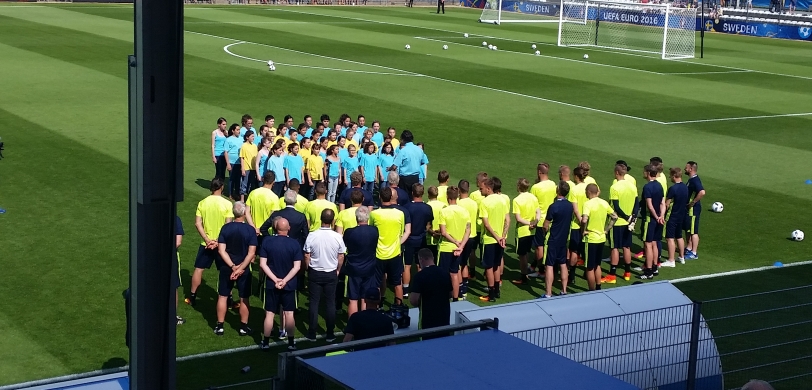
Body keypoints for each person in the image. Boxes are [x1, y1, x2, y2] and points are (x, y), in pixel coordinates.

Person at [187, 178, 234, 307]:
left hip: (205, 244)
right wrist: (218, 241)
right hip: (222, 245)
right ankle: (229, 298)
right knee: (226, 271)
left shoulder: (203, 203)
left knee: (198, 269)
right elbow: (228, 225)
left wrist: (207, 240)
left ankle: (192, 296)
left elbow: (197, 223)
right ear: (222, 187)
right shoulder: (227, 204)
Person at [259, 217, 302, 351]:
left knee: (270, 314)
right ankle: (291, 342)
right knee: (289, 314)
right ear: (288, 228)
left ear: (276, 228)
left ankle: (265, 342)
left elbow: (262, 264)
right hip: (289, 284)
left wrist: (275, 279)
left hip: (272, 284)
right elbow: (297, 267)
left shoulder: (267, 241)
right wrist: (284, 280)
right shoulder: (294, 244)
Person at [215, 201, 257, 336]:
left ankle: (220, 326)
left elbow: (221, 251)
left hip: (227, 267)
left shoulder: (225, 228)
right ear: (244, 213)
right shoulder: (250, 230)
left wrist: (233, 267)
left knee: (223, 296)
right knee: (244, 297)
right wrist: (240, 268)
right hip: (243, 268)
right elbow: (251, 253)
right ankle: (243, 327)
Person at [303, 209, 346, 342]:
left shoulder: (312, 235)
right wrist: (338, 270)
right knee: (330, 303)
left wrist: (306, 267)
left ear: (321, 219)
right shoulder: (337, 237)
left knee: (314, 302)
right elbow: (341, 256)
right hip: (330, 273)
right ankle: (330, 333)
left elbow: (306, 254)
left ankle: (311, 333)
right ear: (333, 221)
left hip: (315, 272)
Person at [370, 187, 410, 302]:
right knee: (397, 283)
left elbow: (372, 231)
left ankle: (376, 307)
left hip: (379, 254)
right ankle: (399, 308)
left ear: (380, 197)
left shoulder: (374, 214)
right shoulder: (400, 214)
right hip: (395, 254)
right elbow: (402, 232)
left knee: (377, 283)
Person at [603, 164, 638, 284]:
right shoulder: (632, 186)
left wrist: (627, 217)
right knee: (627, 247)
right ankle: (627, 273)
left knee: (614, 248)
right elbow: (636, 203)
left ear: (617, 173)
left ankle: (612, 275)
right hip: (628, 223)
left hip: (617, 222)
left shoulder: (615, 187)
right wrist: (633, 217)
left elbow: (616, 206)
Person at [343, 207, 380, 317]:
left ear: (356, 217)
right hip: (369, 267)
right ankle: (364, 322)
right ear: (368, 217)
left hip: (354, 268)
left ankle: (353, 325)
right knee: (365, 298)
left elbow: (345, 245)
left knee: (353, 299)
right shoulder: (374, 230)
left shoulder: (349, 232)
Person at [580, 184, 618, 291]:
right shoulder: (604, 202)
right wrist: (606, 229)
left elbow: (584, 220)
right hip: (601, 238)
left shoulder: (587, 204)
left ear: (588, 192)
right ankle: (598, 287)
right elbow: (614, 216)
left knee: (589, 267)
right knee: (597, 264)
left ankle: (591, 290)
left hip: (591, 238)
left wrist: (583, 231)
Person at [478, 178, 510, 302]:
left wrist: (496, 237)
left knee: (489, 267)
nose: (481, 190)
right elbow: (508, 220)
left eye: (482, 188)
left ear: (488, 188)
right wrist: (502, 236)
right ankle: (497, 291)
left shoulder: (485, 202)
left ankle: (491, 294)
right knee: (497, 265)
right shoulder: (502, 200)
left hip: (489, 239)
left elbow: (486, 224)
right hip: (502, 239)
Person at [437, 186, 470, 300]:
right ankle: (456, 298)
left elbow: (443, 232)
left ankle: (443, 297)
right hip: (458, 249)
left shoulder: (444, 211)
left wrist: (455, 241)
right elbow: (468, 231)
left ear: (447, 197)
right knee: (455, 273)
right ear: (457, 196)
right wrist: (461, 246)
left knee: (443, 275)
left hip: (446, 247)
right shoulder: (464, 211)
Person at [540, 181, 573, 297]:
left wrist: (545, 233)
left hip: (553, 239)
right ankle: (564, 291)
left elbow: (545, 225)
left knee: (549, 265)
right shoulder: (570, 206)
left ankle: (548, 293)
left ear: (558, 190)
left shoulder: (553, 206)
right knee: (563, 264)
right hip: (563, 240)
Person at [410, 248, 452, 337]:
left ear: (421, 259)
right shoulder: (445, 273)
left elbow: (413, 300)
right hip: (444, 316)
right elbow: (451, 294)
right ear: (432, 258)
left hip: (427, 318)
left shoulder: (419, 276)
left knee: (427, 345)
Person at [403, 184, 434, 297]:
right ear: (423, 193)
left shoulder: (406, 207)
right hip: (421, 239)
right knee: (420, 265)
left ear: (412, 193)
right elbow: (428, 225)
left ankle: (405, 290)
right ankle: (420, 287)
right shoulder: (427, 208)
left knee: (407, 265)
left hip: (409, 239)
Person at [529, 163, 557, 277]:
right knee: (547, 244)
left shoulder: (535, 188)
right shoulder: (553, 184)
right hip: (551, 219)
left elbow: (532, 204)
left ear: (539, 172)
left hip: (540, 220)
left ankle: (541, 271)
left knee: (539, 246)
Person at [511, 178, 540, 284]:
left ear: (518, 186)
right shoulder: (533, 197)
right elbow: (538, 212)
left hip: (522, 232)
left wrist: (529, 223)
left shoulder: (517, 200)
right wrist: (535, 222)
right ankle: (525, 273)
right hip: (531, 231)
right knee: (526, 253)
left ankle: (523, 276)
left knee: (522, 255)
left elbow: (518, 219)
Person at [641, 165, 666, 280]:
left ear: (648, 173)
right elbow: (662, 203)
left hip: (650, 219)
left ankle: (648, 270)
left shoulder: (647, 187)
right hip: (658, 219)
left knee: (648, 244)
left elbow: (649, 205)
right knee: (655, 243)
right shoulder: (659, 185)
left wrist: (656, 216)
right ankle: (655, 267)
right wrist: (661, 216)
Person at [456, 180, 478, 299]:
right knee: (465, 263)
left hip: (461, 237)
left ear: (459, 190)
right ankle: (465, 285)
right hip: (472, 235)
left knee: (459, 263)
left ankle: (460, 288)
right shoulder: (474, 203)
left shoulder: (458, 203)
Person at [245, 171, 281, 241]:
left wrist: (253, 227)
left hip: (252, 230)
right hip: (267, 232)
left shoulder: (253, 193)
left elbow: (247, 212)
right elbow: (273, 217)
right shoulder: (274, 197)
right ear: (273, 182)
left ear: (263, 179)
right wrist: (262, 228)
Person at [664, 167, 689, 267]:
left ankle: (671, 260)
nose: (670, 177)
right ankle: (682, 257)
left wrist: (662, 214)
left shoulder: (673, 188)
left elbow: (667, 203)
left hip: (672, 216)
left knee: (669, 238)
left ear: (674, 176)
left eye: (670, 175)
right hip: (681, 215)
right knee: (679, 236)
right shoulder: (685, 187)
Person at [390, 130, 428, 194]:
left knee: (404, 197)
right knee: (414, 196)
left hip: (405, 178)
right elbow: (423, 161)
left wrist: (389, 169)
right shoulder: (419, 149)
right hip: (416, 177)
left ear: (403, 139)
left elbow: (395, 166)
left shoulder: (403, 151)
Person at [567, 167, 587, 285]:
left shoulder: (574, 190)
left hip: (576, 224)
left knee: (574, 250)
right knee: (585, 248)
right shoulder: (590, 187)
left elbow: (574, 208)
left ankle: (572, 276)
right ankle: (586, 271)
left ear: (575, 176)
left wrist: (580, 220)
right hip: (588, 222)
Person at [684, 161, 705, 260]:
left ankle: (694, 252)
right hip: (690, 209)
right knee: (689, 229)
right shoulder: (692, 179)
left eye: (686, 167)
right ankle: (689, 247)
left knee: (693, 231)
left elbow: (702, 192)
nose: (685, 169)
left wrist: (693, 203)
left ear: (691, 169)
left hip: (693, 209)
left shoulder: (695, 180)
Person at [223, 124, 242, 200]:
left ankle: (237, 193)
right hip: (232, 162)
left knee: (238, 179)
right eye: (237, 130)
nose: (239, 131)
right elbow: (226, 152)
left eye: (239, 129)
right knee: (232, 179)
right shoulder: (228, 139)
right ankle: (230, 194)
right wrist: (228, 163)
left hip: (239, 162)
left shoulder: (241, 139)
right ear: (233, 131)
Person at [426, 186, 446, 259]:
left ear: (428, 195)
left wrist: (433, 233)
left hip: (430, 238)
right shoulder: (444, 205)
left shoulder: (427, 206)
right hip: (441, 237)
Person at [239, 131, 258, 202]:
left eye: (253, 136)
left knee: (251, 184)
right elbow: (242, 157)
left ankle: (249, 198)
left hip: (253, 168)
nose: (253, 138)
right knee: (244, 183)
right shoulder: (244, 146)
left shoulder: (254, 146)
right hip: (246, 168)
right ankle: (242, 199)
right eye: (252, 136)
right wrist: (243, 169)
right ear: (247, 137)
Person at [173, 215, 186, 325]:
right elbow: (178, 242)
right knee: (173, 287)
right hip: (171, 258)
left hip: (152, 258)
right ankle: (172, 316)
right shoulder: (175, 218)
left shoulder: (151, 218)